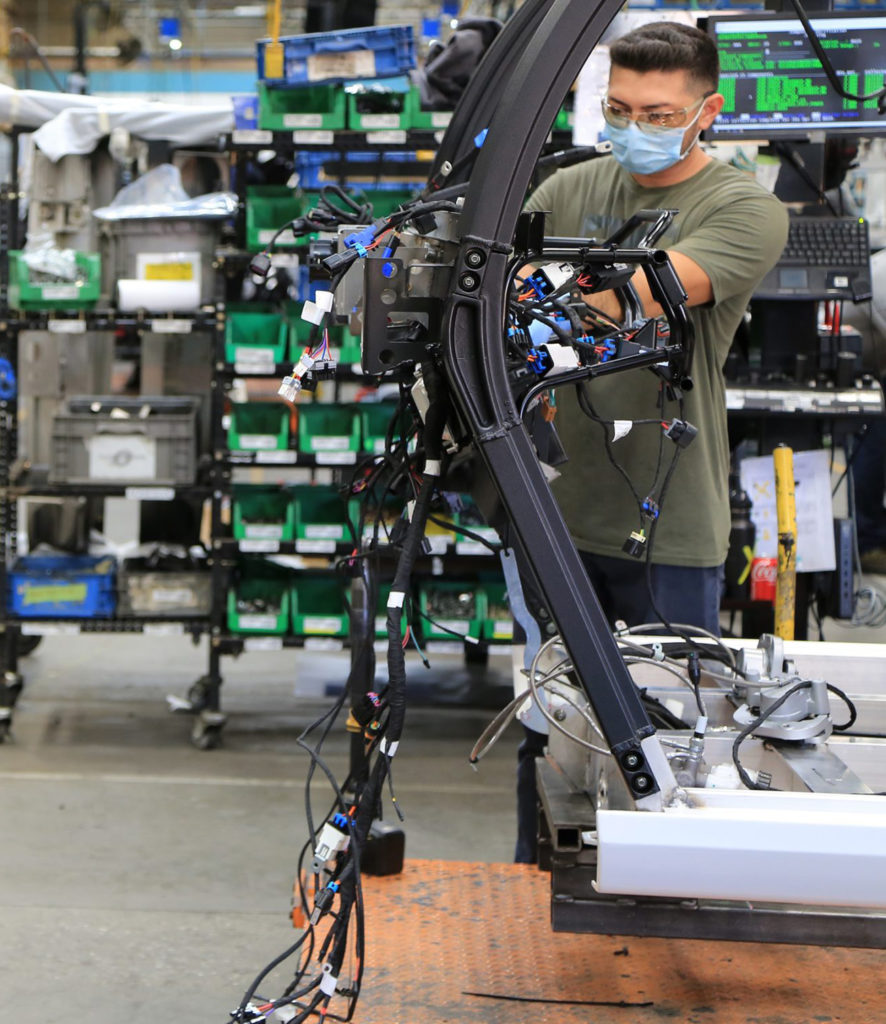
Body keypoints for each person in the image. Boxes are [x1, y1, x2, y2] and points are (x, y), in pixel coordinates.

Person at [514, 22, 789, 863]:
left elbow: (650, 292)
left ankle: (664, 911)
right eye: (619, 107)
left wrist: (544, 289)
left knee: (672, 742)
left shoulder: (743, 208)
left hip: (667, 521)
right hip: (553, 505)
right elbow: (491, 277)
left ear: (705, 110)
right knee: (554, 730)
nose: (634, 125)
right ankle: (538, 897)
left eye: (658, 111)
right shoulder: (572, 185)